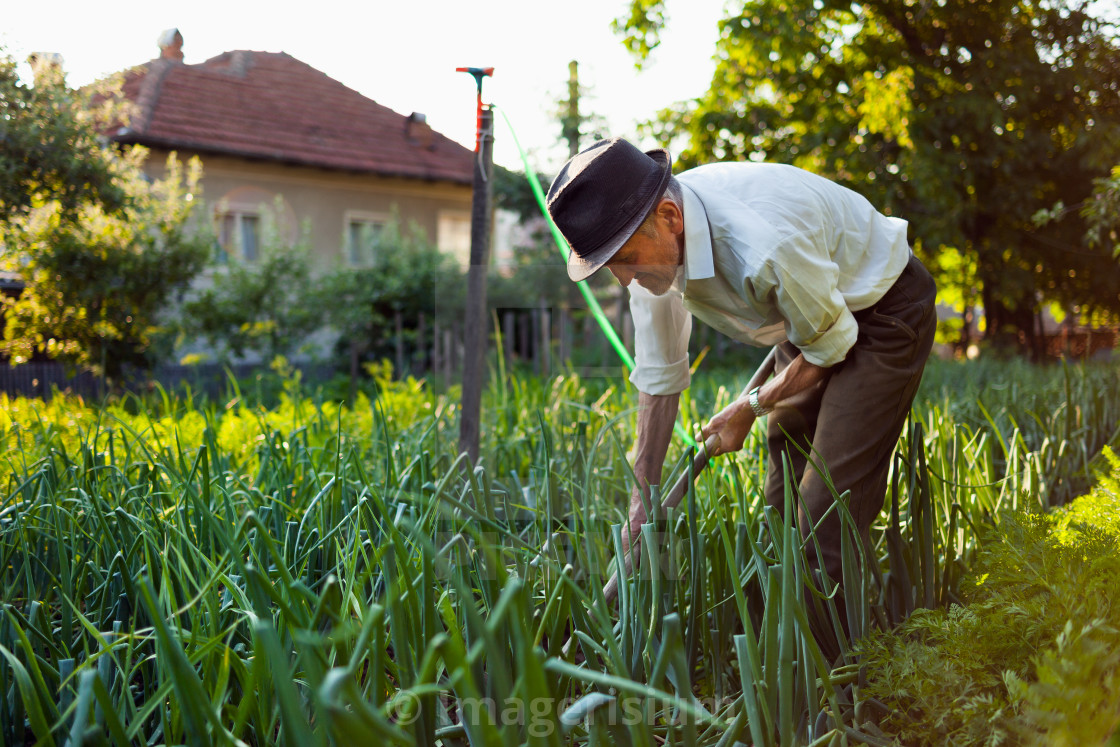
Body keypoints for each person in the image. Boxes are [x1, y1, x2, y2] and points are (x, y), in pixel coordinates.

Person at [546, 136, 936, 593]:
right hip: (808, 318)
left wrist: (750, 406)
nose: (624, 278)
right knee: (780, 493)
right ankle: (773, 625)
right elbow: (659, 380)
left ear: (669, 217)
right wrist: (642, 501)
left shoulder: (764, 244)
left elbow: (830, 346)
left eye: (626, 260)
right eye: (611, 267)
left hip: (883, 311)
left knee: (824, 508)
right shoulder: (645, 254)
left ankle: (834, 655)